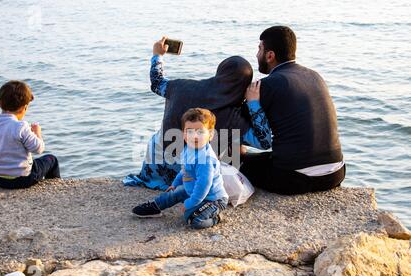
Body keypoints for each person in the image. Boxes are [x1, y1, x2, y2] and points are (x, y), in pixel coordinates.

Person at [123, 37, 272, 190]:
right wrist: (253, 103)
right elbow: (265, 142)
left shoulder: (181, 87)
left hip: (154, 166)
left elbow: (156, 82)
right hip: (190, 177)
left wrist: (157, 55)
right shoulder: (232, 117)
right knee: (230, 141)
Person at [240, 26, 345, 195]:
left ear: (270, 55)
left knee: (234, 162)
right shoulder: (315, 75)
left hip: (295, 178)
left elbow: (235, 122)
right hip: (336, 173)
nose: (257, 54)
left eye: (259, 49)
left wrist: (252, 102)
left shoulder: (268, 84)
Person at [132, 108, 228, 229]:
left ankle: (216, 217)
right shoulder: (189, 149)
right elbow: (185, 170)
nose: (195, 136)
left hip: (213, 199)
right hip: (193, 190)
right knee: (174, 192)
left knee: (193, 221)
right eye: (190, 131)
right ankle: (155, 206)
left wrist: (190, 203)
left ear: (211, 134)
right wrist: (175, 183)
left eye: (200, 132)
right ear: (184, 134)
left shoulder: (205, 160)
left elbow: (203, 186)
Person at [0, 80, 60, 189]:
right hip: (23, 179)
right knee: (52, 159)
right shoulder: (21, 126)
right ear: (25, 107)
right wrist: (37, 133)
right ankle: (55, 188)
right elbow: (38, 149)